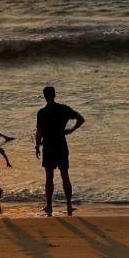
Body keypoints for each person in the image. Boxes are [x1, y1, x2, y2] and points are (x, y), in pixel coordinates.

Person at [34, 85, 84, 216]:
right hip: (61, 144)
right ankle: (69, 205)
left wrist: (37, 146)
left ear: (44, 96)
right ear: (54, 95)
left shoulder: (42, 112)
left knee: (49, 177)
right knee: (65, 176)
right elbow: (81, 119)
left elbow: (39, 132)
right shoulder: (63, 109)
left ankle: (49, 206)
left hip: (49, 146)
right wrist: (71, 130)